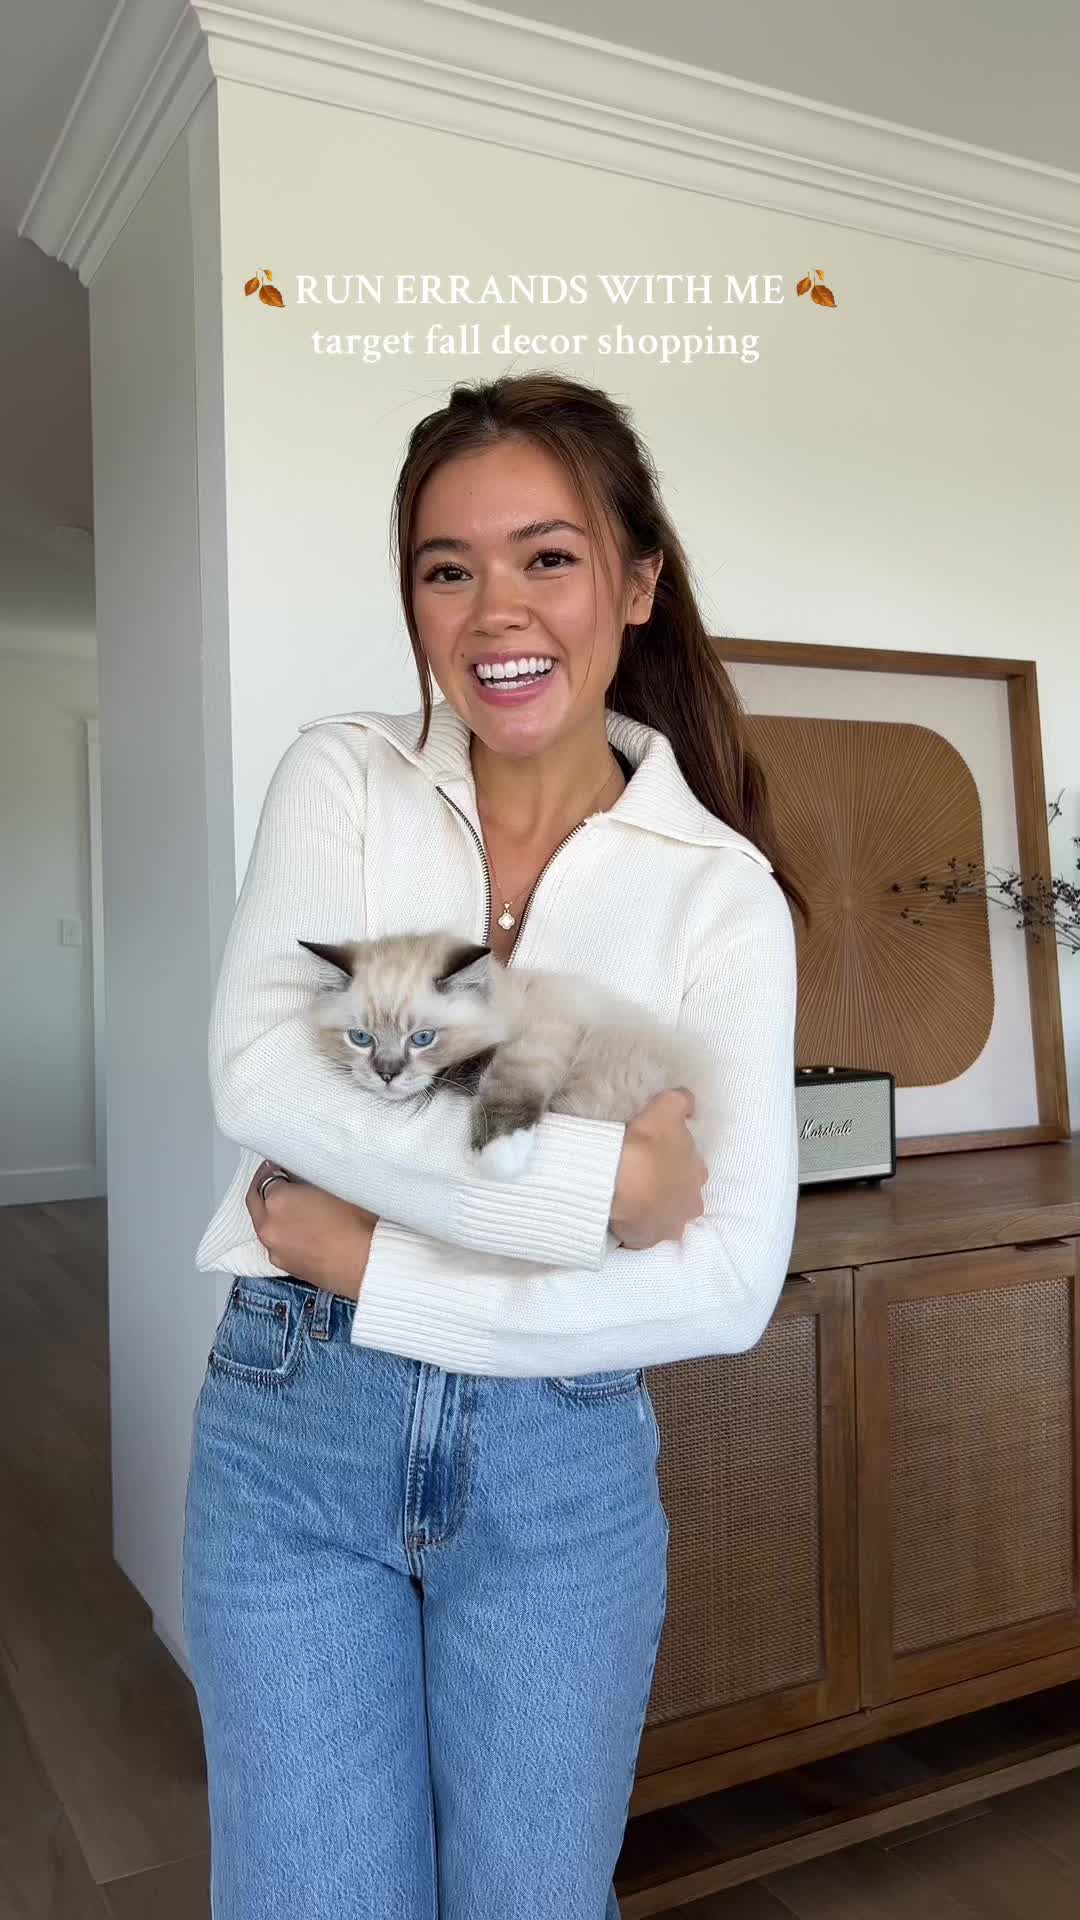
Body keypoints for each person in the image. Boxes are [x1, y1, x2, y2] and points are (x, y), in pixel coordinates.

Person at [182, 370, 805, 1920]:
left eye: (548, 556)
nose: (493, 611)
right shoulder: (345, 779)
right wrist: (610, 1185)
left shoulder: (721, 894)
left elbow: (728, 1284)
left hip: (561, 1463)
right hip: (293, 1433)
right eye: (446, 568)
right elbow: (260, 1076)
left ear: (637, 585)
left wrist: (372, 1256)